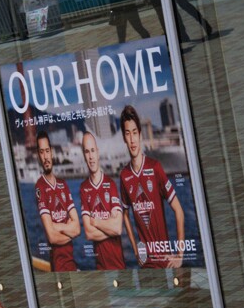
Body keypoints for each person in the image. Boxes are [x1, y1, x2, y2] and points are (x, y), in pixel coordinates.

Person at [117, 105, 185, 268]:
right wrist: (135, 249)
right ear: (124, 138)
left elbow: (179, 210)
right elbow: (125, 214)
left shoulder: (155, 168)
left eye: (135, 133)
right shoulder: (124, 176)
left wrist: (180, 255)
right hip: (146, 264)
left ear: (140, 134)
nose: (132, 139)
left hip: (166, 261)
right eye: (128, 134)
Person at [78, 131, 125, 270]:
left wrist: (96, 222)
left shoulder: (110, 184)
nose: (91, 156)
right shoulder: (84, 188)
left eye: (93, 150)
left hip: (118, 265)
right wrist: (108, 225)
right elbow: (89, 233)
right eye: (87, 152)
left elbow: (117, 229)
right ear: (84, 156)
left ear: (98, 153)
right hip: (100, 268)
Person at [34, 131, 80, 271]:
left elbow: (77, 229)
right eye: (41, 152)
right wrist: (69, 230)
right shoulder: (40, 187)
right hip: (58, 266)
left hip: (72, 263)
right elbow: (52, 237)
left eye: (47, 151)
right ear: (38, 156)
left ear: (52, 152)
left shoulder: (63, 184)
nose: (45, 156)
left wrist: (57, 226)